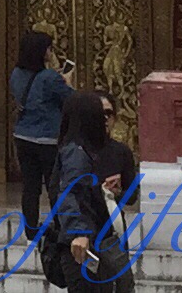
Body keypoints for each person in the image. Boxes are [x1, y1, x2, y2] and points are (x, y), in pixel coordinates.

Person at [49, 91, 140, 289]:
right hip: (84, 243)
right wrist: (78, 232)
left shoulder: (90, 150)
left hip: (103, 238)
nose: (104, 120)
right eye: (99, 114)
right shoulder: (76, 151)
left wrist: (106, 191)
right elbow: (69, 192)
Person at [6, 29, 73, 248]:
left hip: (23, 136)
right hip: (47, 139)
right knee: (54, 187)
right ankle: (62, 230)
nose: (51, 52)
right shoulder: (50, 78)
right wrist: (67, 82)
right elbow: (71, 100)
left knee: (30, 187)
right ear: (42, 51)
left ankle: (30, 233)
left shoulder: (16, 74)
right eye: (49, 48)